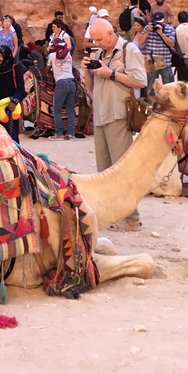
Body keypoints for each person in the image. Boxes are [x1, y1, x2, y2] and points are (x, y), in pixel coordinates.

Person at [79, 18, 147, 231]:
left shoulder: (129, 50)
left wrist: (112, 74)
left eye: (99, 39)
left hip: (119, 115)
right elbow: (90, 87)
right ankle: (110, 213)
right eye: (94, 40)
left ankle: (131, 218)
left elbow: (140, 80)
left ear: (111, 33)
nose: (96, 43)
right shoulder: (99, 54)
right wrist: (87, 71)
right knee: (104, 171)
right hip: (101, 115)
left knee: (121, 169)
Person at [0, 46, 26, 144]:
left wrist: (14, 101)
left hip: (11, 108)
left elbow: (21, 88)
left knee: (12, 137)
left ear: (6, 56)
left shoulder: (15, 69)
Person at [135, 12, 176, 88]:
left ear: (163, 21)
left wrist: (162, 34)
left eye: (159, 22)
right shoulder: (147, 28)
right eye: (156, 22)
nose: (157, 24)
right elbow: (140, 43)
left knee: (169, 87)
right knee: (151, 87)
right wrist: (147, 30)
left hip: (165, 62)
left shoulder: (169, 29)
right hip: (151, 63)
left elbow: (172, 44)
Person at [47, 38, 77, 140]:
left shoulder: (52, 56)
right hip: (72, 82)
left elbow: (47, 69)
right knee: (70, 110)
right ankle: (71, 134)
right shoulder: (69, 55)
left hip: (61, 82)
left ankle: (59, 133)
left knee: (56, 110)